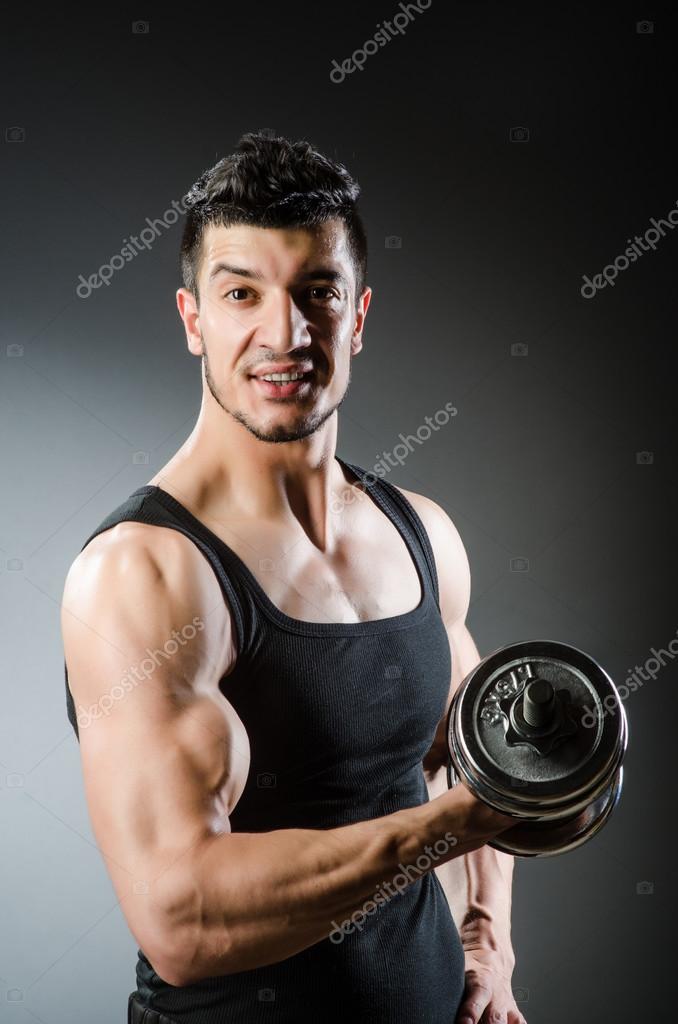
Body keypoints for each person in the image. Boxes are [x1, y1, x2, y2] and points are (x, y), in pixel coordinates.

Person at [61, 129, 526, 1024]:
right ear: (193, 318)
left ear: (358, 315)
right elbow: (183, 920)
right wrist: (448, 827)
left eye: (318, 293)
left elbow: (479, 757)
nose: (286, 333)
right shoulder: (145, 574)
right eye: (242, 294)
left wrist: (489, 936)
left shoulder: (424, 534)